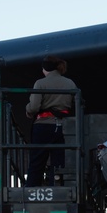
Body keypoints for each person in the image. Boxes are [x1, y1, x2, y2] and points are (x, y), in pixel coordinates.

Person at [25, 55, 76, 186]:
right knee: (58, 162)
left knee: (37, 161)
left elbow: (34, 107)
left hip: (43, 125)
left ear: (45, 68)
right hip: (63, 127)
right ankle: (57, 187)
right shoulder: (70, 83)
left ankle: (31, 188)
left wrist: (28, 110)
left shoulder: (40, 83)